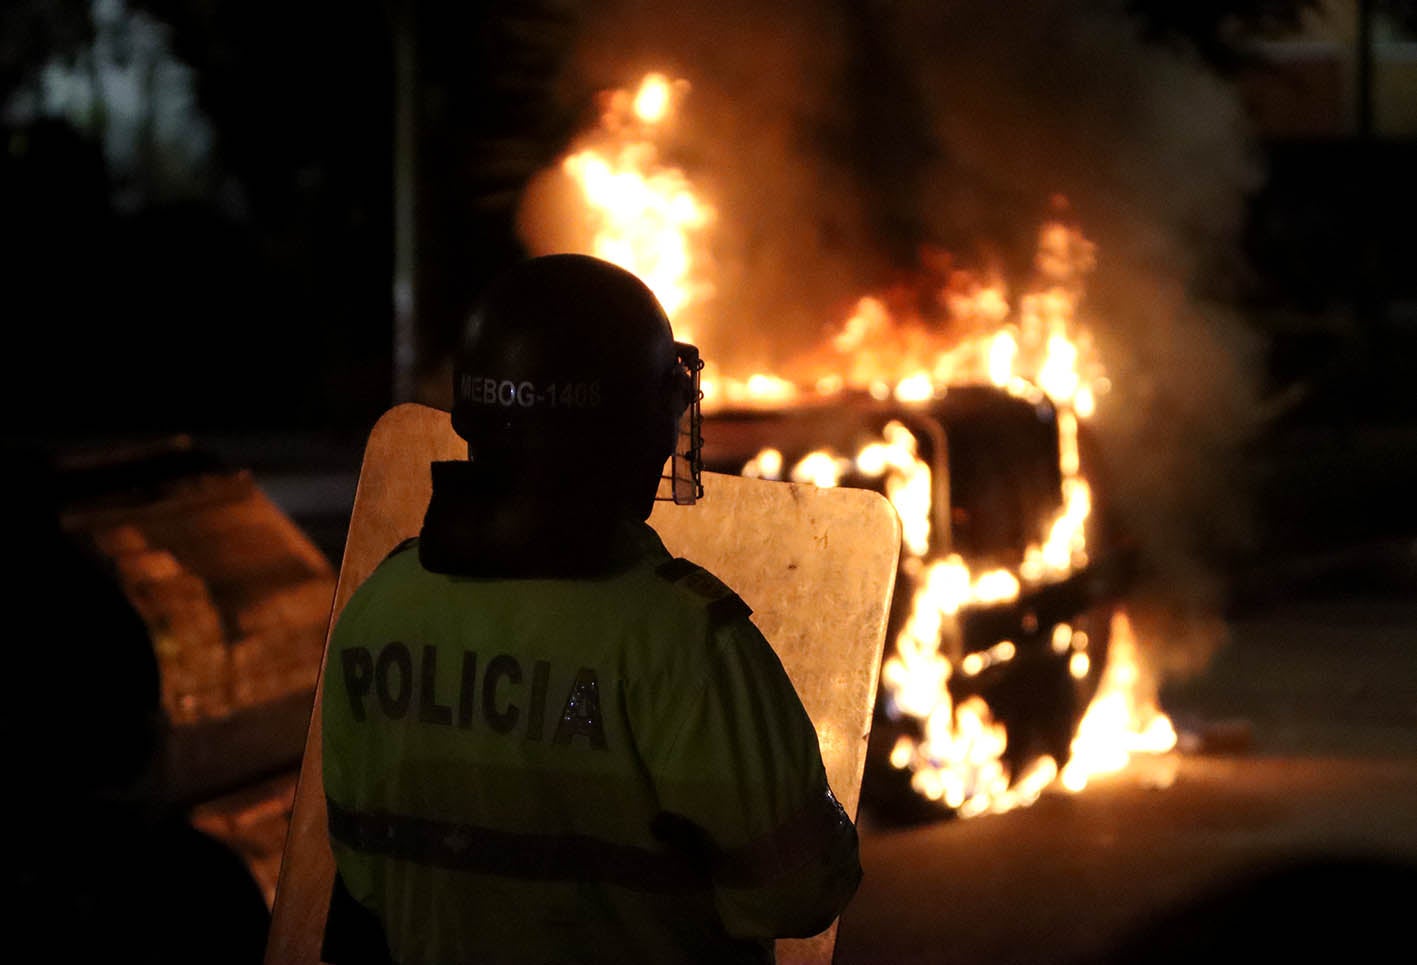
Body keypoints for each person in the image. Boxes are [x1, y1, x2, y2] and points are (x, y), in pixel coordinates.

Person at [320, 254, 862, 965]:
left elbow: (362, 871)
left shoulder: (377, 608)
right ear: (632, 431)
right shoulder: (683, 640)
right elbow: (798, 892)